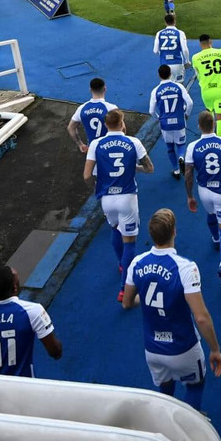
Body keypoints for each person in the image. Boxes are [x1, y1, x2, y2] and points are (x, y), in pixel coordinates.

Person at [122, 209, 221, 411]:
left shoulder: (137, 263)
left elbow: (127, 303)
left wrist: (142, 297)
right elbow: (201, 317)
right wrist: (215, 349)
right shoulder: (186, 268)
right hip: (183, 347)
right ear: (174, 232)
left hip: (153, 349)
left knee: (166, 389)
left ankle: (167, 427)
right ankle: (189, 431)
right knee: (195, 387)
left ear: (151, 235)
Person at [86, 110, 154, 300]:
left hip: (107, 199)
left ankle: (121, 263)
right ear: (122, 124)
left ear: (106, 125)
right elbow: (150, 168)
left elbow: (86, 175)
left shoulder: (95, 144)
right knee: (130, 242)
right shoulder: (133, 142)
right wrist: (135, 168)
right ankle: (125, 288)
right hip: (127, 198)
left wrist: (97, 188)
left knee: (115, 229)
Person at [184, 111, 221, 286]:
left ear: (198, 126)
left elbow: (188, 174)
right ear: (214, 125)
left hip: (204, 191)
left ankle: (215, 239)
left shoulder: (192, 147)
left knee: (210, 214)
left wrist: (189, 196)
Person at [150, 64, 193, 178]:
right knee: (181, 143)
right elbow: (190, 103)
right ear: (170, 74)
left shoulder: (155, 91)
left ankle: (176, 170)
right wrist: (186, 114)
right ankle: (181, 157)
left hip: (165, 123)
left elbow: (151, 111)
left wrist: (159, 118)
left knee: (169, 147)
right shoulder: (179, 87)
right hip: (179, 121)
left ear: (159, 75)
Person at [191, 34, 221, 136]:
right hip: (220, 90)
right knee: (220, 119)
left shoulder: (195, 58)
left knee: (210, 117)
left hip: (206, 92)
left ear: (200, 44)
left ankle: (209, 139)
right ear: (211, 42)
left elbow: (198, 75)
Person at [68, 77, 117, 153]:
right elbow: (122, 129)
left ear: (90, 90)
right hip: (110, 148)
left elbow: (71, 128)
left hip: (92, 150)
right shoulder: (111, 108)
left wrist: (80, 144)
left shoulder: (81, 109)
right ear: (105, 89)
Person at [154, 13, 190, 84]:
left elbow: (155, 50)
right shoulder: (180, 33)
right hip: (177, 62)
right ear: (174, 21)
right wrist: (187, 61)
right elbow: (185, 49)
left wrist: (163, 54)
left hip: (164, 64)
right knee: (180, 84)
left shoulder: (159, 33)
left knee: (166, 84)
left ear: (165, 22)